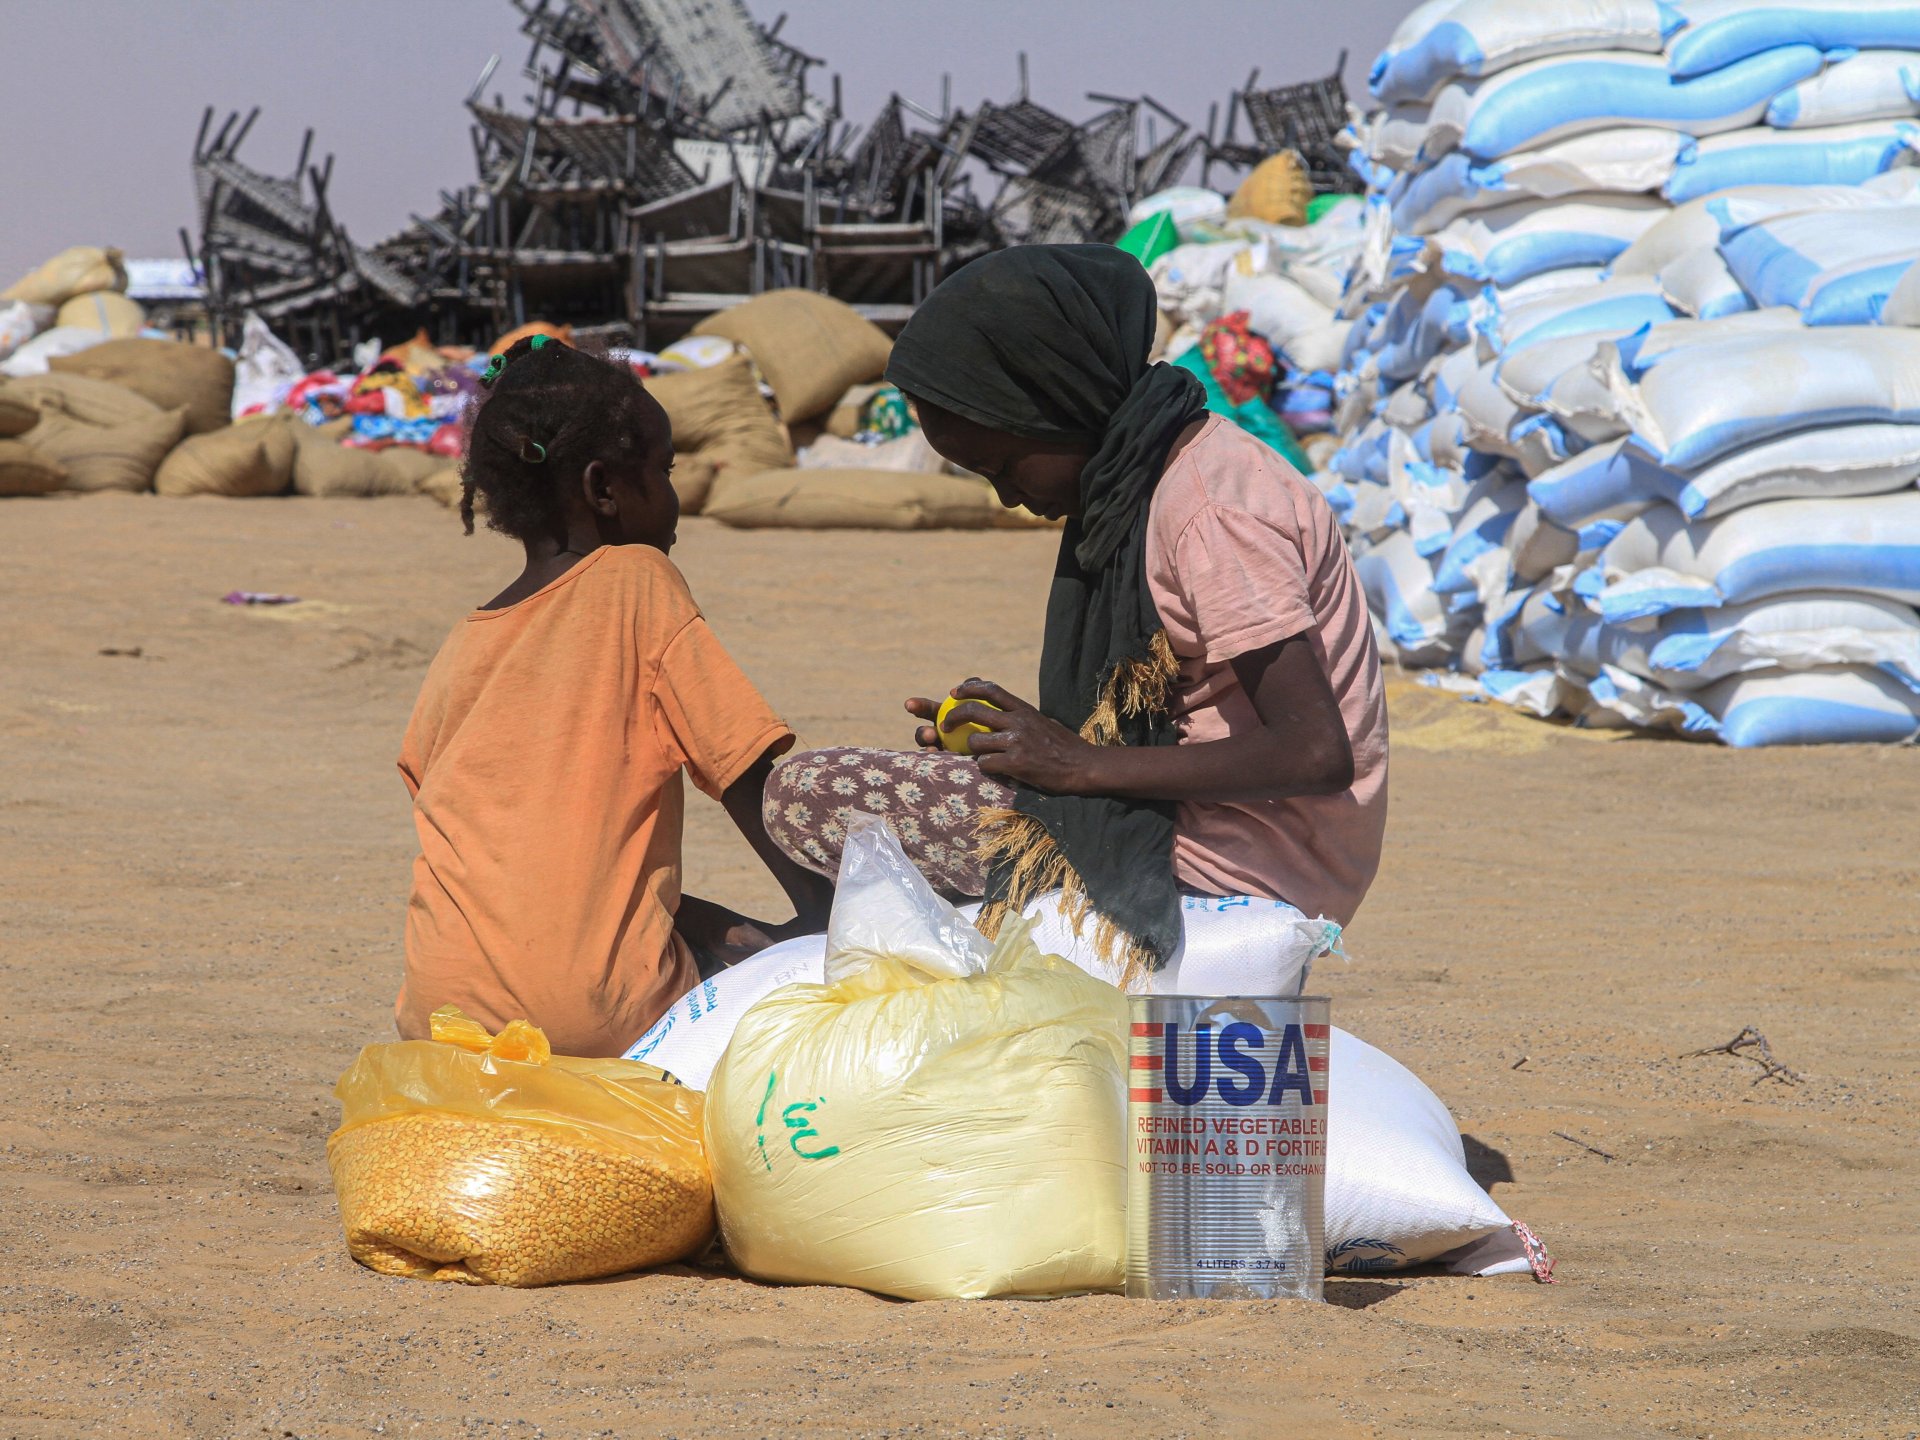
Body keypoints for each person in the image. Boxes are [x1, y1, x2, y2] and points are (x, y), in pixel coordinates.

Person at [763, 245, 1386, 975]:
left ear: (1061, 401)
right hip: (1206, 819)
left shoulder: (1209, 511)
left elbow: (1314, 752)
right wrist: (1028, 745)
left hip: (1239, 856)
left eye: (1003, 465)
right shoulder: (1156, 468)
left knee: (808, 795)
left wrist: (1079, 764)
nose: (1006, 496)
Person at [395, 337, 831, 1056]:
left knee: (692, 923)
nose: (674, 495)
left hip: (441, 1014)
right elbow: (742, 770)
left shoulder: (461, 646)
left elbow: (493, 849)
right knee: (774, 982)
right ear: (603, 488)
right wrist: (824, 921)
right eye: (662, 471)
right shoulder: (636, 581)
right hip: (594, 1016)